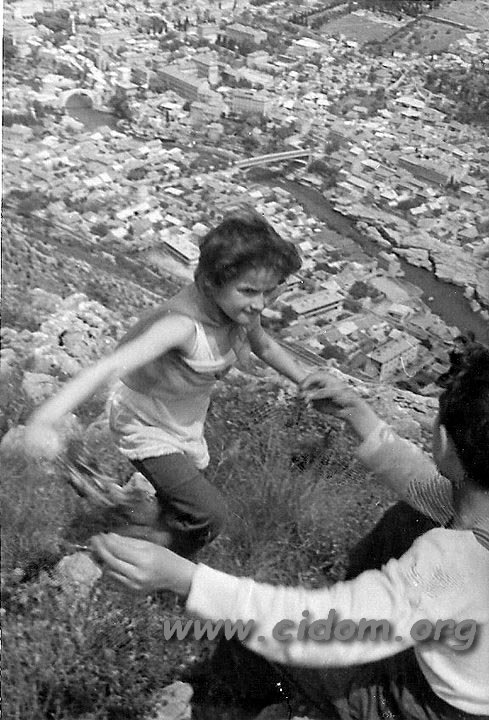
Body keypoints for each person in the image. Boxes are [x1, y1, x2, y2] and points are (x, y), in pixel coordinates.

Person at [91, 344, 489, 719]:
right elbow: (426, 486)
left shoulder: (453, 564)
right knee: (406, 519)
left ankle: (238, 703)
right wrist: (358, 414)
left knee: (246, 630)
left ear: (443, 440)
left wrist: (185, 579)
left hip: (420, 706)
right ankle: (368, 606)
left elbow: (312, 631)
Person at [25, 208, 306, 556]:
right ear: (211, 282)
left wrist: (307, 379)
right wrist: (44, 418)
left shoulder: (236, 311)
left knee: (180, 505)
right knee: (208, 515)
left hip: (184, 422)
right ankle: (119, 551)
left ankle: (121, 521)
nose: (259, 304)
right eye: (249, 290)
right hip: (146, 423)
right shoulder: (181, 326)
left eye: (268, 292)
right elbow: (109, 367)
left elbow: (263, 346)